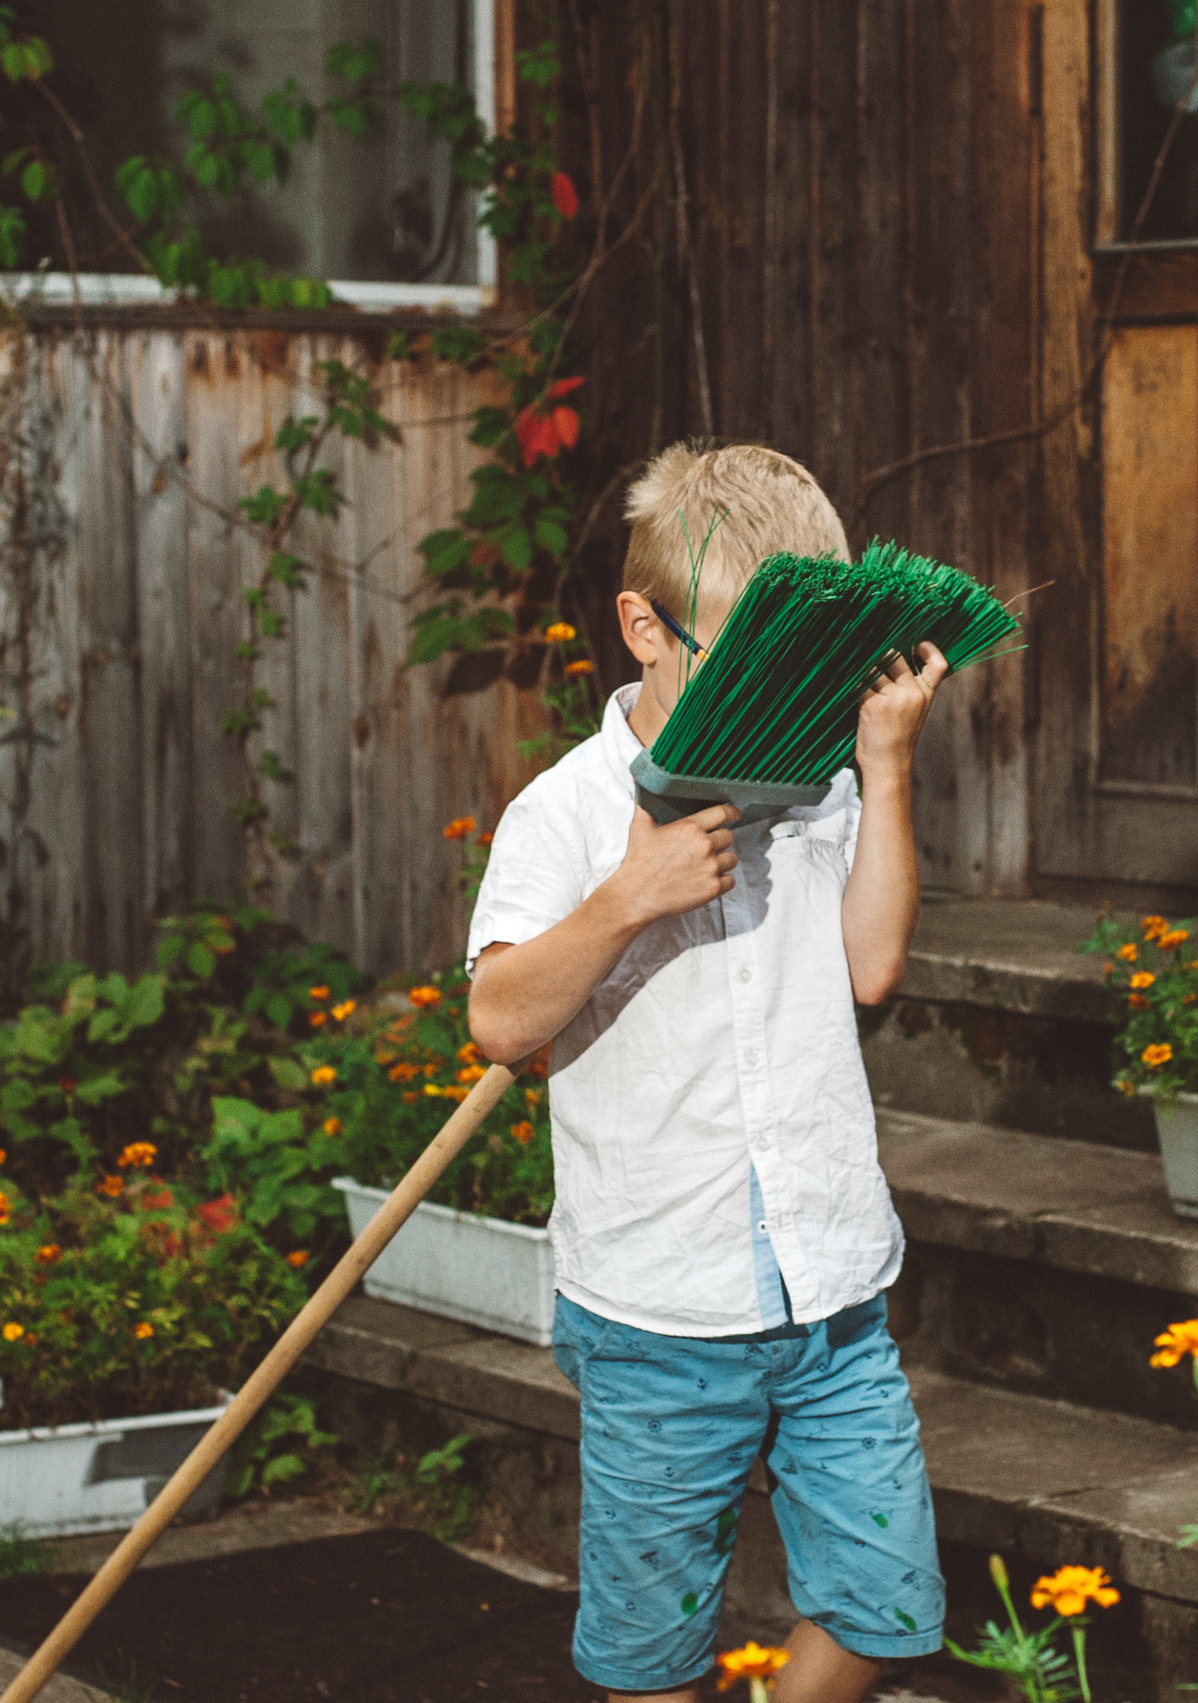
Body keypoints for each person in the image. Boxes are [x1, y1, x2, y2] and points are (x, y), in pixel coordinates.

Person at [465, 441, 951, 1703]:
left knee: (889, 1612)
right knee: (652, 1658)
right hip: (656, 1311)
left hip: (831, 1286)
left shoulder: (821, 783)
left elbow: (871, 967)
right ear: (644, 626)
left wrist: (885, 762)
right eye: (753, 656)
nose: (784, 687)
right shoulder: (563, 812)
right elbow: (499, 1019)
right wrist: (627, 897)